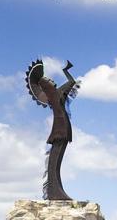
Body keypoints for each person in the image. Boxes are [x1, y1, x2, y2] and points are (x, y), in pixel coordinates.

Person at [26, 59, 79, 200]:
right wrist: (65, 71)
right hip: (59, 130)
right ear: (46, 87)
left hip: (63, 128)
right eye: (47, 79)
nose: (51, 80)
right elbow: (71, 83)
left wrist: (66, 71)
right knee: (53, 162)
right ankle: (53, 191)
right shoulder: (54, 95)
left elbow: (71, 83)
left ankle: (55, 190)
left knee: (56, 162)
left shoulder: (57, 94)